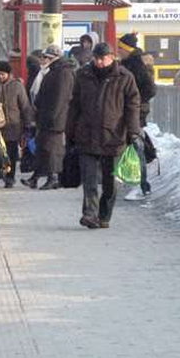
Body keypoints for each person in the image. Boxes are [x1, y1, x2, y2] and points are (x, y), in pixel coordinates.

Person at [66, 43, 140, 229]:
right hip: (87, 134)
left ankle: (104, 215)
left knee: (110, 183)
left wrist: (133, 131)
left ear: (112, 57)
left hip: (113, 136)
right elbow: (74, 104)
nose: (99, 62)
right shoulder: (83, 75)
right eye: (96, 58)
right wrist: (70, 130)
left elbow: (132, 106)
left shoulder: (124, 77)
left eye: (103, 58)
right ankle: (89, 214)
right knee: (89, 179)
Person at [24, 45, 74, 190]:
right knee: (42, 147)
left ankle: (53, 178)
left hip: (55, 118)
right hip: (46, 115)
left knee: (52, 148)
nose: (43, 60)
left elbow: (60, 97)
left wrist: (53, 116)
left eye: (45, 57)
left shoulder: (63, 73)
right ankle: (36, 177)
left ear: (53, 58)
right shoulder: (53, 71)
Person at [117, 33, 157, 198]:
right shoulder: (128, 62)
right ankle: (135, 181)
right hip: (130, 110)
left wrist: (135, 102)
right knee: (130, 146)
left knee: (135, 146)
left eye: (120, 48)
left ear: (127, 49)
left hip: (136, 112)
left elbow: (149, 89)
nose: (118, 50)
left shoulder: (136, 64)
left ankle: (142, 184)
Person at [0, 60, 34, 188]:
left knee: (11, 153)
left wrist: (28, 124)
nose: (0, 77)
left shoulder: (17, 86)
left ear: (8, 74)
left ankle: (10, 177)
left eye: (2, 74)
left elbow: (25, 106)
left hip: (13, 126)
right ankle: (1, 172)